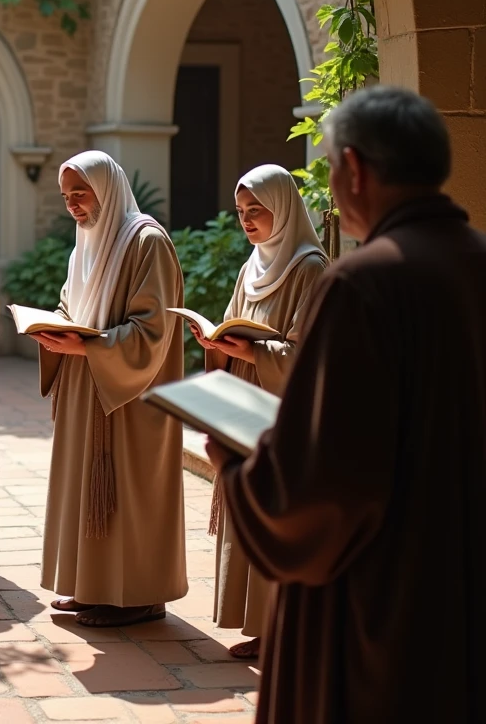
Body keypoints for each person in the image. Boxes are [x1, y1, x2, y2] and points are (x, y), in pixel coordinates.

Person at [206, 86, 486, 723]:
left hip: (383, 599)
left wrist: (235, 464)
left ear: (355, 168)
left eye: (330, 169)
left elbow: (319, 485)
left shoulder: (363, 283)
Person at [29, 151, 186, 628]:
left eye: (81, 192)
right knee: (87, 488)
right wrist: (53, 325)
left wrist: (85, 346)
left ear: (107, 187)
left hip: (132, 397)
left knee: (127, 490)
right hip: (87, 386)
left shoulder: (145, 241)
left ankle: (139, 595)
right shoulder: (87, 244)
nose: (73, 203)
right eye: (66, 195)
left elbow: (153, 328)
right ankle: (95, 587)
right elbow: (71, 302)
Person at [187, 165, 327, 660]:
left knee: (277, 512)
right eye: (241, 212)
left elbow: (309, 356)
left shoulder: (310, 267)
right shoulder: (252, 266)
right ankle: (260, 624)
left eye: (256, 211)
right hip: (246, 400)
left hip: (281, 411)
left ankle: (287, 628)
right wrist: (215, 340)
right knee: (249, 507)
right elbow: (232, 325)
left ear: (283, 209)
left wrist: (249, 354)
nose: (246, 221)